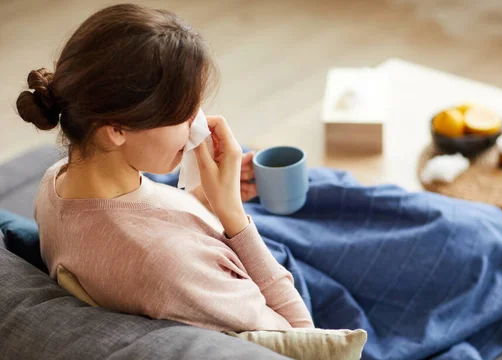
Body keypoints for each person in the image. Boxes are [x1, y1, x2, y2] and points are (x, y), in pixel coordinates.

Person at [16, 3, 314, 332]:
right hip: (273, 277)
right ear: (116, 129)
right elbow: (305, 339)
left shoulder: (54, 183)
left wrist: (204, 201)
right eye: (184, 112)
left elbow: (145, 221)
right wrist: (233, 217)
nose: (199, 123)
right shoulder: (166, 263)